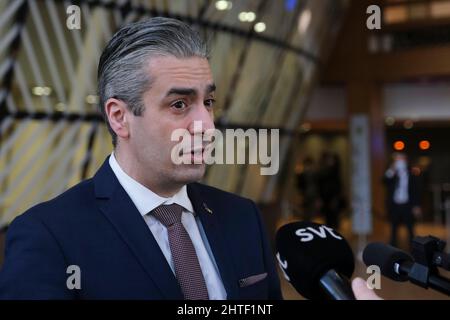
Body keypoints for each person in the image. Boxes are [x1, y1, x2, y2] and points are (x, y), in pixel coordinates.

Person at [0, 17, 381, 301]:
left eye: (209, 102)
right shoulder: (47, 238)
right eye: (180, 104)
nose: (206, 125)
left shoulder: (243, 219)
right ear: (119, 117)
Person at [384, 152, 421, 249]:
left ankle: (414, 250)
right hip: (395, 206)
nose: (400, 162)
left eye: (402, 160)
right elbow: (384, 181)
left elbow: (416, 191)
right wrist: (392, 169)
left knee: (410, 229)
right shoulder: (392, 174)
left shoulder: (412, 175)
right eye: (398, 160)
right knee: (393, 229)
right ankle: (392, 250)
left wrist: (416, 206)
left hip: (407, 206)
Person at [317, 152, 344, 229]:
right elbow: (320, 185)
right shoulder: (323, 171)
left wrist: (336, 197)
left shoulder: (335, 171)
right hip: (325, 197)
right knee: (327, 216)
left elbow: (337, 186)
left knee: (334, 216)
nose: (330, 161)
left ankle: (335, 231)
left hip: (333, 197)